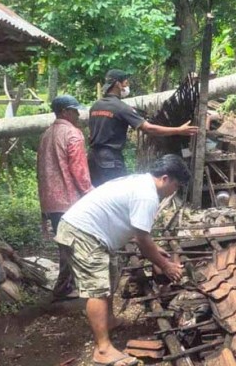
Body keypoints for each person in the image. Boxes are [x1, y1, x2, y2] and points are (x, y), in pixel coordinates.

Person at [55, 154, 189, 366]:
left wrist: (157, 251)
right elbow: (142, 240)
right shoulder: (147, 196)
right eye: (176, 185)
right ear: (165, 178)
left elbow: (140, 233)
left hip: (89, 232)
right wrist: (166, 266)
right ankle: (103, 350)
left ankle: (108, 321)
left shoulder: (141, 183)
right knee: (96, 288)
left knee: (108, 277)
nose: (175, 190)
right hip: (83, 233)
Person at [88, 69, 199, 186]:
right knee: (117, 192)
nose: (127, 86)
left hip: (93, 159)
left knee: (99, 193)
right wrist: (178, 130)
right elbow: (149, 129)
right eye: (125, 83)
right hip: (110, 161)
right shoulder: (121, 107)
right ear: (117, 84)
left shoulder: (95, 107)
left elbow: (91, 134)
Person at [37, 95, 93, 300]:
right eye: (74, 111)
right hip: (70, 200)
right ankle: (63, 288)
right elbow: (79, 170)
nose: (78, 114)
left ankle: (68, 285)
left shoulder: (46, 135)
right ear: (64, 112)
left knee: (65, 243)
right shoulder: (72, 134)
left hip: (51, 201)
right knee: (73, 244)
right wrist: (90, 193)